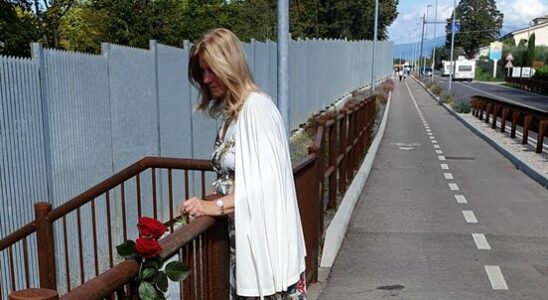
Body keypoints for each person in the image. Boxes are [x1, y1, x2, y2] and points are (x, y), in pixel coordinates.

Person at [181, 28, 307, 300]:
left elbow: (265, 187)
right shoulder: (233, 116)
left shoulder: (256, 109)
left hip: (265, 253)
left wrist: (212, 206)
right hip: (246, 244)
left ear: (229, 65)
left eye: (211, 69)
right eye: (202, 72)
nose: (205, 79)